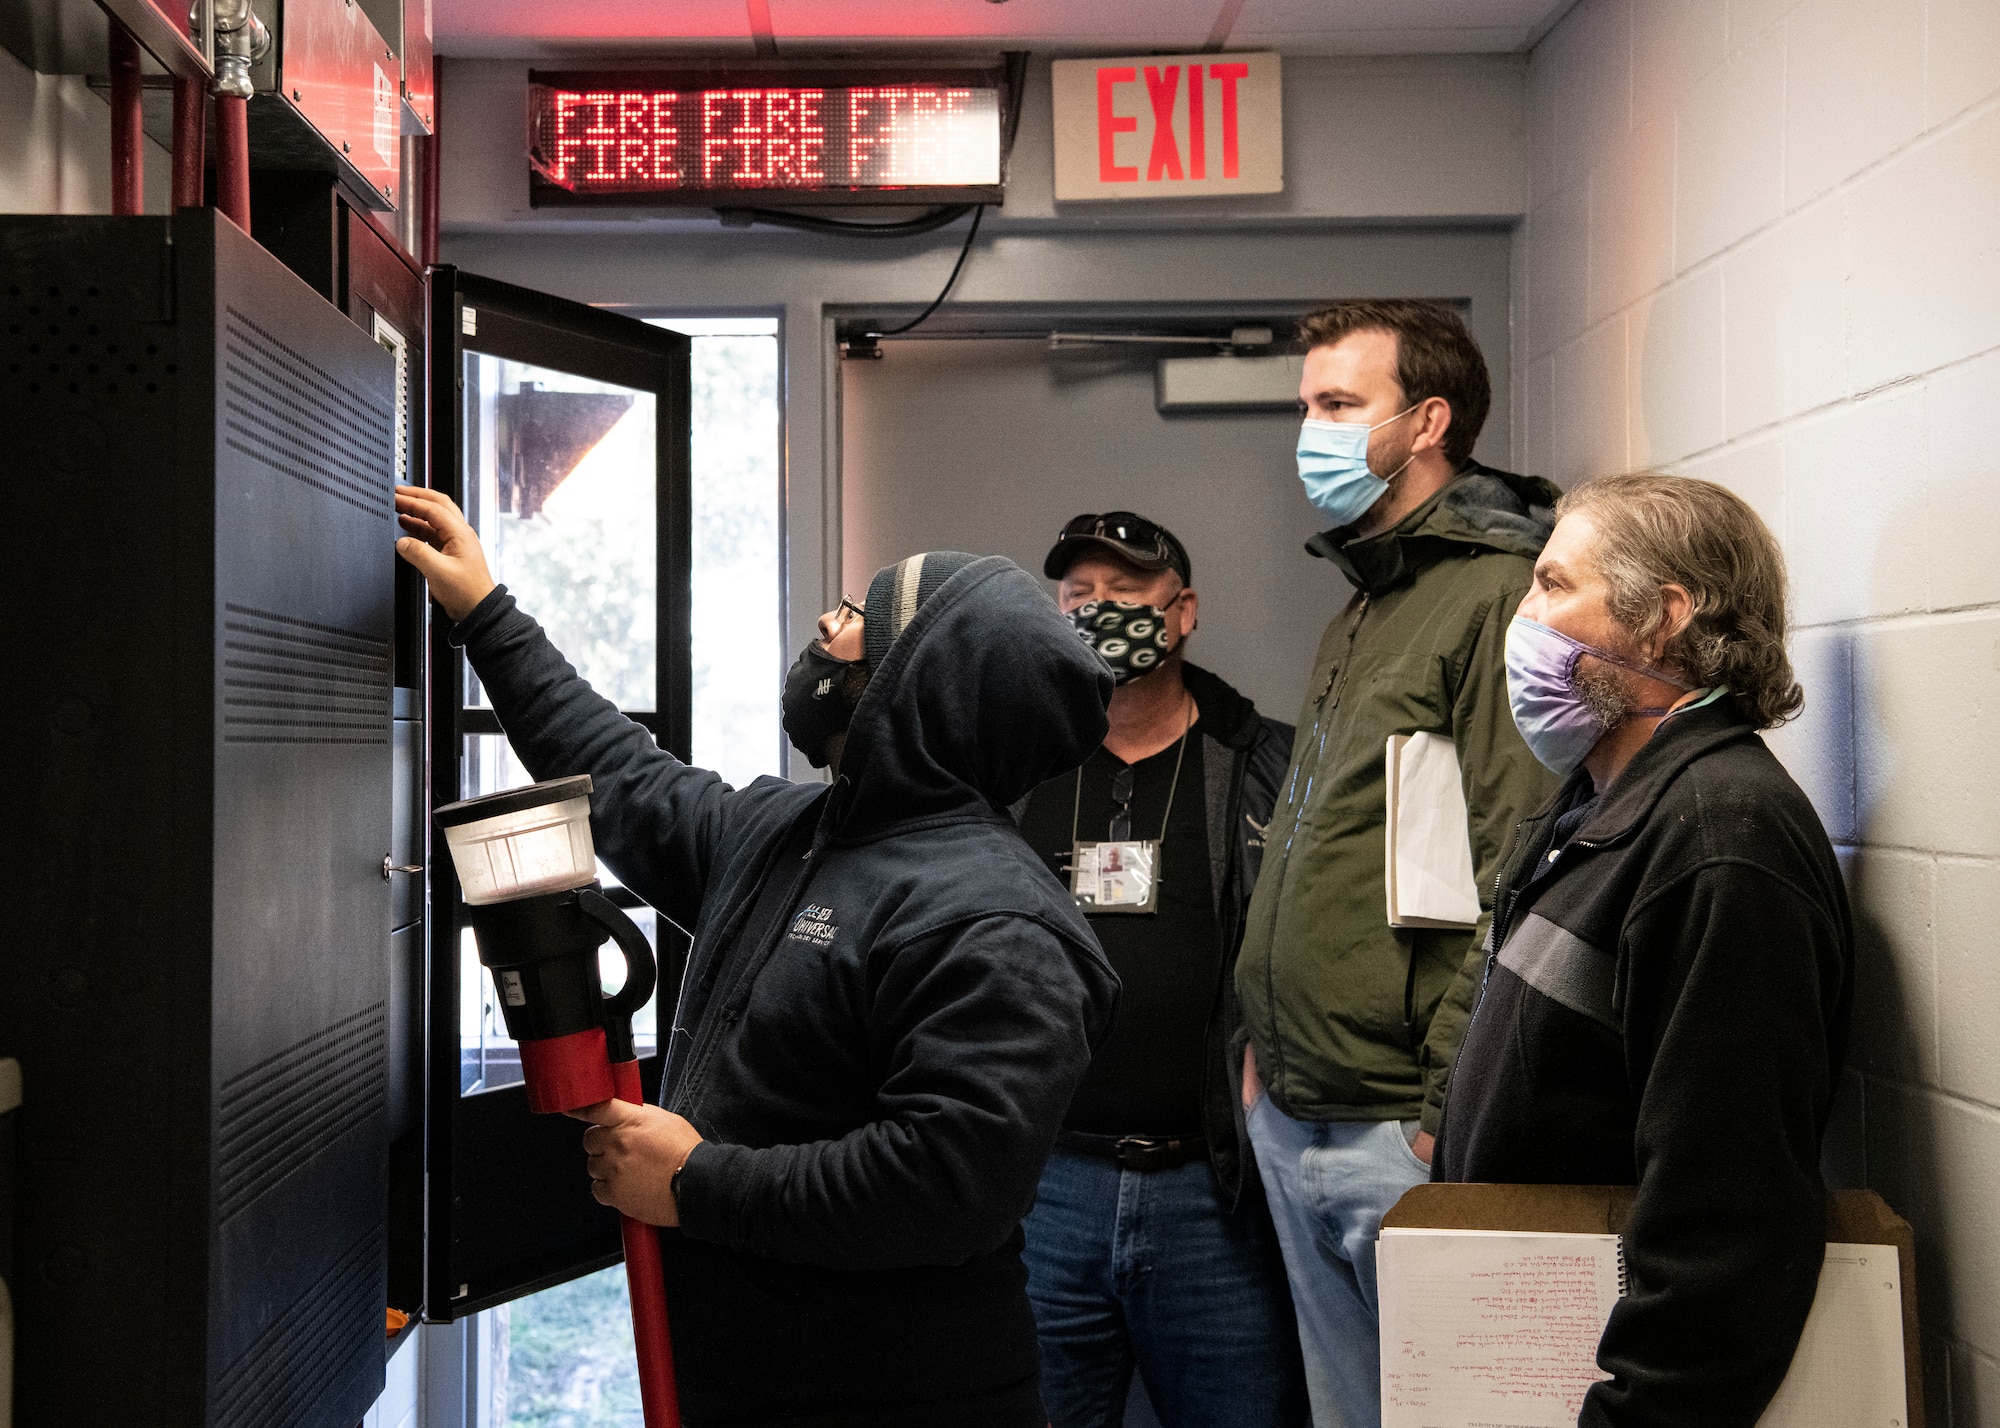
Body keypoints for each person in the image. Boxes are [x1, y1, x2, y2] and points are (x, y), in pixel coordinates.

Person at [393, 485, 1121, 1428]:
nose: (828, 620)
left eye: (859, 616)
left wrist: (695, 1184)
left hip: (894, 1398)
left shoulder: (997, 924)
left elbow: (946, 1189)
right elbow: (620, 776)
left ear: (920, 684)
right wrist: (485, 614)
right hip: (735, 1380)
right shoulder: (793, 832)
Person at [1433, 472, 1853, 1427]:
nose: (1523, 615)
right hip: (1526, 1334)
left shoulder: (1719, 837)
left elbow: (1729, 1214)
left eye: (1552, 584)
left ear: (1662, 618)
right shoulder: (1600, 803)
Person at [1233, 299, 1563, 1427]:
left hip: (1395, 1126)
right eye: (1304, 406)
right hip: (1293, 1104)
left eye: (1337, 405)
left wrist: (1442, 1099)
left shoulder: (1493, 597)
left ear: (1427, 421)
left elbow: (1514, 868)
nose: (1309, 432)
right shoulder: (1367, 600)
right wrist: (1259, 1051)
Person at [1012, 512, 1307, 1428]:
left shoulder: (1268, 764)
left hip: (1213, 1194)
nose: (1099, 611)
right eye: (1078, 597)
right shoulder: (1016, 767)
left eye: (1126, 591)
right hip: (1046, 1188)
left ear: (1183, 613)